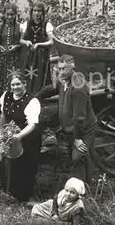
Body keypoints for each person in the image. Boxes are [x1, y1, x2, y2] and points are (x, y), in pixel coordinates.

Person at [36, 55, 97, 185]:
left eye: (65, 69)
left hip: (83, 128)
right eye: (59, 69)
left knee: (78, 156)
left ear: (73, 67)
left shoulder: (78, 87)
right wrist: (36, 97)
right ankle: (80, 183)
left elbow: (79, 117)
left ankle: (82, 189)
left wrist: (77, 138)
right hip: (70, 126)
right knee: (73, 155)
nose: (61, 72)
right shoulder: (63, 80)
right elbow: (51, 89)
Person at [0, 72, 42, 202]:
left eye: (18, 84)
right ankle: (9, 193)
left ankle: (25, 197)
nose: (15, 87)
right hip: (10, 134)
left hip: (28, 137)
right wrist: (1, 132)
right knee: (9, 162)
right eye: (13, 84)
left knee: (25, 166)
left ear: (25, 84)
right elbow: (3, 115)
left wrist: (19, 136)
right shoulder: (6, 96)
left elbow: (32, 125)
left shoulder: (32, 101)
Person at [20, 2, 55, 94]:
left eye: (39, 11)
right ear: (31, 12)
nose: (36, 13)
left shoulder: (46, 24)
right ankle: (26, 94)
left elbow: (51, 42)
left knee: (39, 76)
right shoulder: (27, 24)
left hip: (41, 56)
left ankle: (40, 96)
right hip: (28, 55)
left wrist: (39, 44)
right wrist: (26, 42)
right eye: (34, 11)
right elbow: (20, 40)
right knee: (27, 75)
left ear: (42, 13)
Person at [0, 3, 23, 94]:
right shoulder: (0, 26)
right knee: (2, 77)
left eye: (12, 15)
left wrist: (16, 46)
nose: (10, 17)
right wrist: (0, 47)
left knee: (13, 77)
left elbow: (22, 42)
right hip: (2, 58)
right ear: (4, 15)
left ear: (15, 15)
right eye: (8, 14)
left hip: (15, 57)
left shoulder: (20, 27)